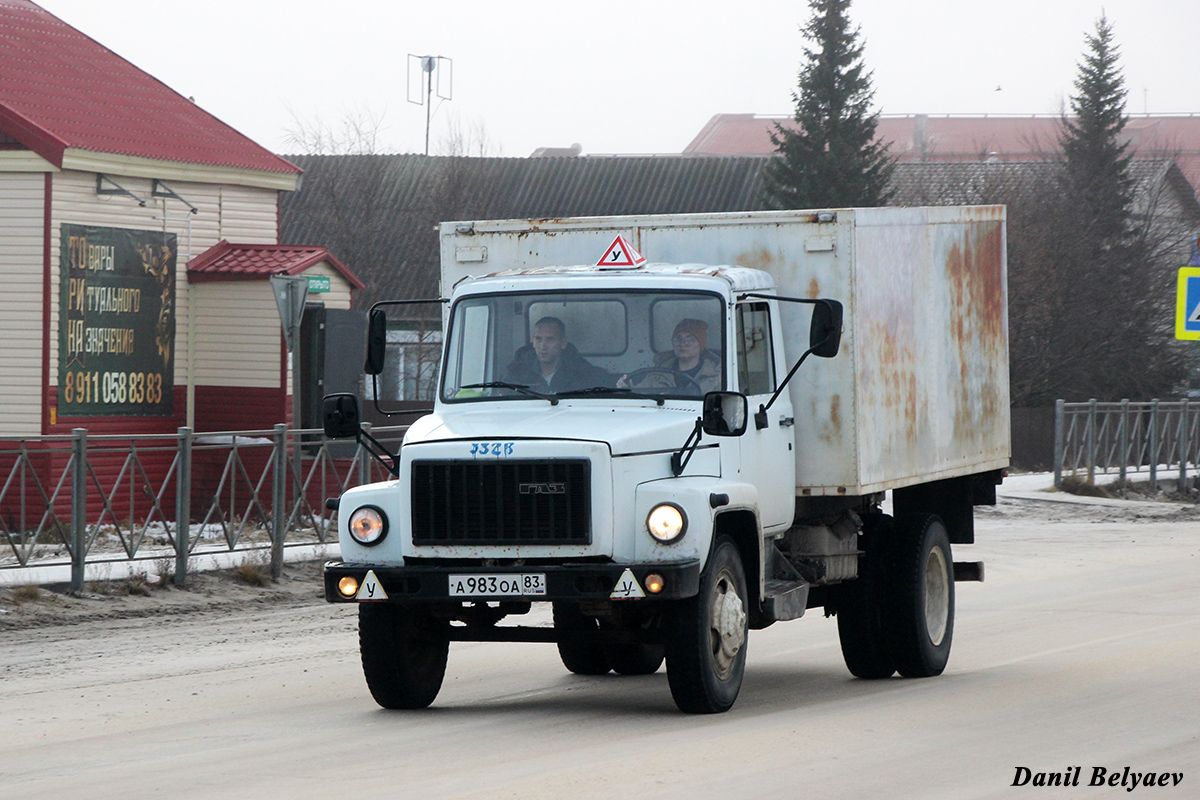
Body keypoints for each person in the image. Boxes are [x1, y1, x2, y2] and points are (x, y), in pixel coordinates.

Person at [502, 316, 609, 393]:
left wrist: (620, 386)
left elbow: (604, 386)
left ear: (563, 343)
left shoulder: (580, 371)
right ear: (533, 342)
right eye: (538, 339)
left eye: (550, 339)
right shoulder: (517, 372)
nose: (542, 346)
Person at [619, 318, 722, 395]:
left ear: (701, 344)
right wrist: (627, 389)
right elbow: (641, 395)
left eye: (690, 339)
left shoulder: (717, 375)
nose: (682, 344)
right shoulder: (658, 372)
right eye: (678, 338)